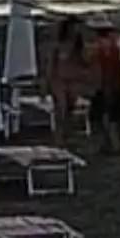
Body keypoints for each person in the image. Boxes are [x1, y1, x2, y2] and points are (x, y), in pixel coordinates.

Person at [43, 15, 92, 146]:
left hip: (74, 80)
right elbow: (51, 64)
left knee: (70, 108)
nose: (76, 30)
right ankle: (58, 136)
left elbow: (86, 63)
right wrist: (46, 82)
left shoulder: (79, 46)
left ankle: (65, 133)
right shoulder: (58, 45)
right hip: (58, 80)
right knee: (61, 107)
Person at [89, 17, 120, 154]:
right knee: (117, 116)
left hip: (105, 84)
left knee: (100, 116)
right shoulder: (117, 41)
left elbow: (99, 67)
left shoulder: (99, 45)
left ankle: (109, 144)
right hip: (119, 82)